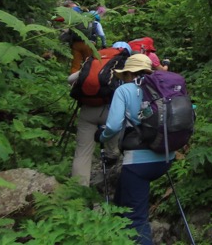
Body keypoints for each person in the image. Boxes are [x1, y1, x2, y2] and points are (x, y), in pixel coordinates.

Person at [97, 54, 174, 244]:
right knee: (123, 193)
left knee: (136, 220)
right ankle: (119, 231)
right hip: (166, 156)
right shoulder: (163, 88)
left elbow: (113, 126)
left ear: (128, 73)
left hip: (139, 163)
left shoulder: (124, 90)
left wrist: (101, 136)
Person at [68, 41, 132, 186]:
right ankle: (110, 163)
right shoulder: (124, 65)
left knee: (82, 152)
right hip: (111, 110)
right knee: (113, 145)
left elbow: (70, 79)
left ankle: (78, 193)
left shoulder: (95, 60)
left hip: (88, 110)